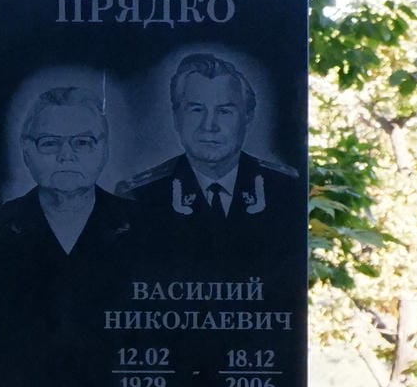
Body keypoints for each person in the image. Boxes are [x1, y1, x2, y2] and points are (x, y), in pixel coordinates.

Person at [118, 54, 300, 245]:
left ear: (248, 117)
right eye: (196, 110)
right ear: (176, 117)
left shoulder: (285, 188)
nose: (209, 125)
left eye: (224, 111)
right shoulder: (139, 196)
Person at [0, 86, 141, 263]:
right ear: (27, 150)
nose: (66, 156)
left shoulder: (140, 221)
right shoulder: (0, 221)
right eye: (50, 143)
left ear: (104, 149)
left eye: (82, 142)